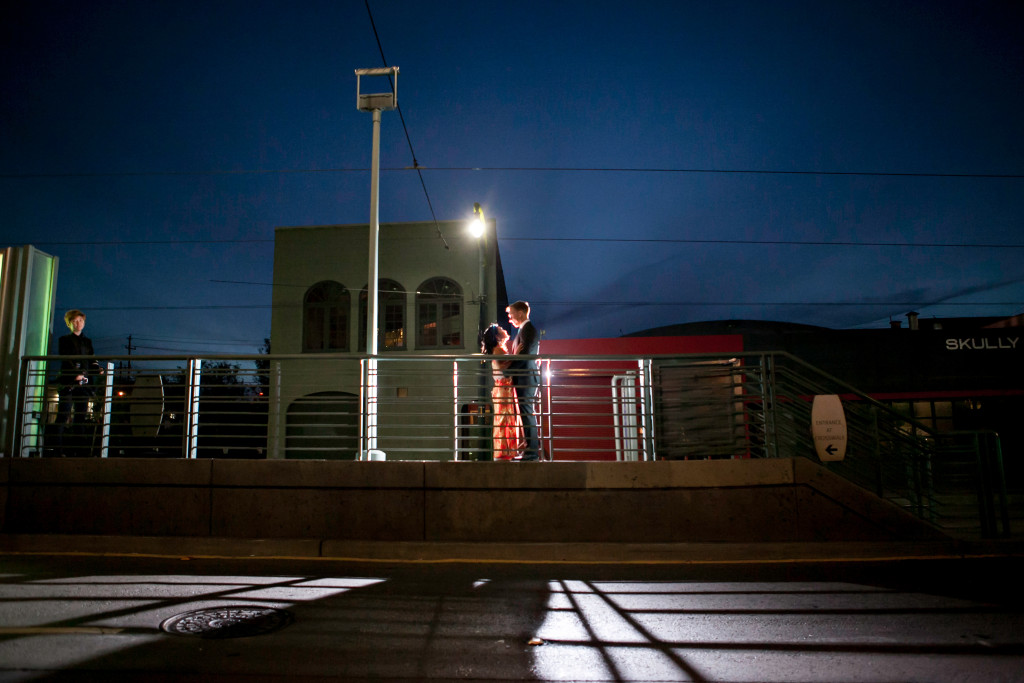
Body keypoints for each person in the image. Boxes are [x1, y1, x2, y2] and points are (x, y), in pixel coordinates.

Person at [55, 309, 103, 456]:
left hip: (84, 384)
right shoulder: (64, 340)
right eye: (75, 321)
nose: (79, 323)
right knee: (63, 416)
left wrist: (97, 369)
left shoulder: (87, 341)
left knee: (80, 418)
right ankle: (58, 451)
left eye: (81, 321)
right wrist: (75, 374)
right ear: (69, 323)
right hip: (69, 382)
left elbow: (91, 360)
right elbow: (65, 358)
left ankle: (79, 451)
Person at [505, 300, 541, 461]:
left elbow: (525, 354)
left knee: (526, 413)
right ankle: (530, 448)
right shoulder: (525, 330)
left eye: (511, 314)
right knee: (526, 412)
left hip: (526, 377)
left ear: (520, 313)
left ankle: (532, 452)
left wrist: (508, 371)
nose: (510, 318)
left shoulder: (528, 330)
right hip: (525, 376)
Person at [481, 323, 523, 460]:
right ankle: (506, 451)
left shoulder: (497, 349)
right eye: (501, 329)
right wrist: (517, 355)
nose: (504, 330)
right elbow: (505, 368)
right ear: (497, 336)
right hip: (504, 387)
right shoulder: (498, 349)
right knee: (506, 417)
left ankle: (505, 450)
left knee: (503, 418)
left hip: (501, 387)